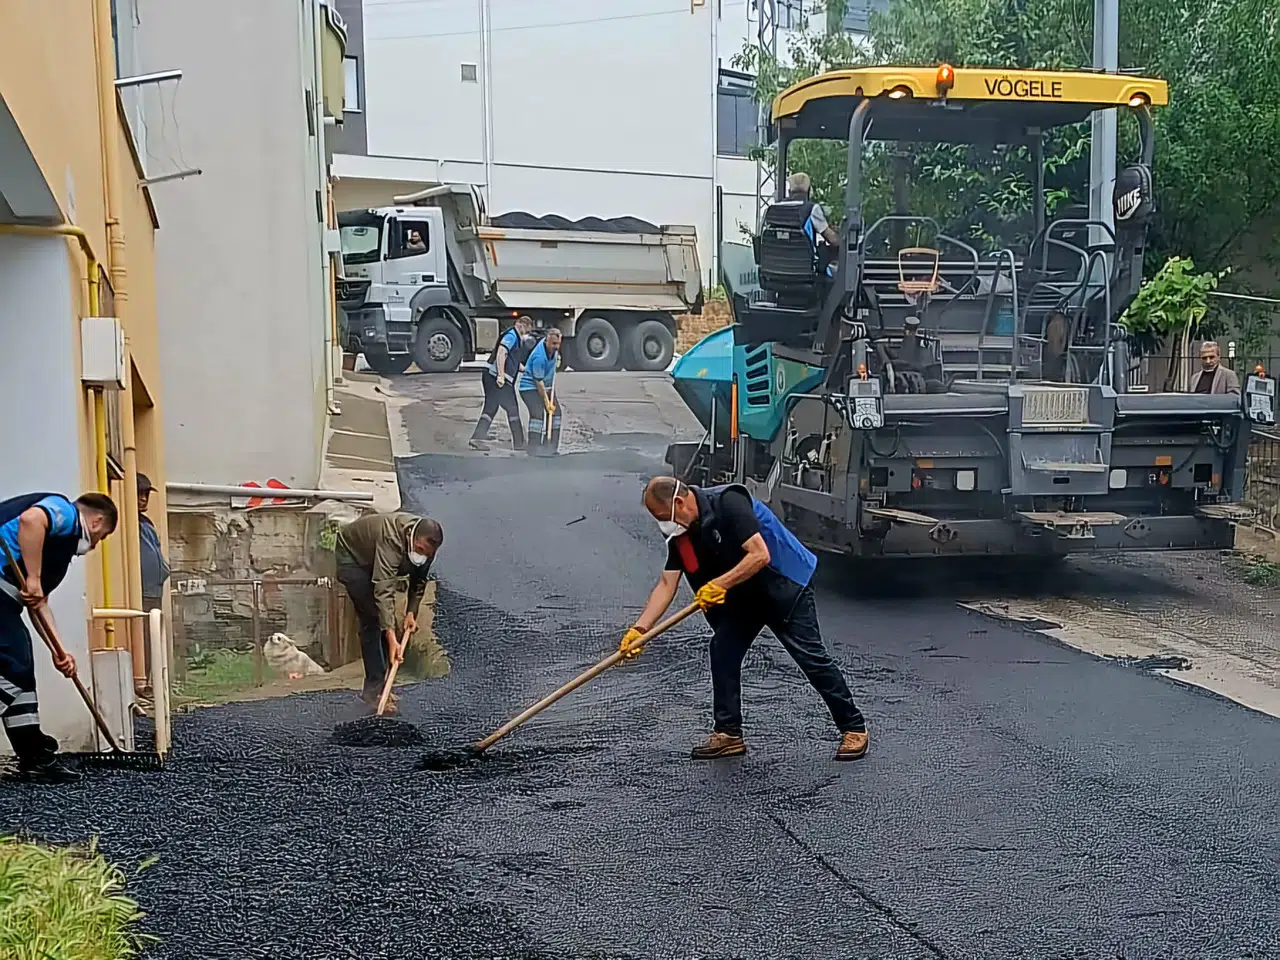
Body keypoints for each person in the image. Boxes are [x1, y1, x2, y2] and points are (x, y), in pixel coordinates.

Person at [621, 477, 868, 761]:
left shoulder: (729, 501)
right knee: (723, 651)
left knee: (810, 657)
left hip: (783, 584)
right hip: (743, 595)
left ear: (678, 502)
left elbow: (759, 555)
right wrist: (640, 629)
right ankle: (728, 734)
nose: (666, 524)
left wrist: (719, 584)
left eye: (665, 517)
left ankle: (853, 727)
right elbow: (667, 584)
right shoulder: (682, 534)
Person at [0, 491, 119, 783]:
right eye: (102, 537)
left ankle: (33, 754)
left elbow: (39, 604)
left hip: (7, 602)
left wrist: (60, 652)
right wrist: (33, 577)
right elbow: (31, 520)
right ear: (96, 521)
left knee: (20, 669)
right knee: (12, 666)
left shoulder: (57, 548)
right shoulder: (64, 512)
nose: (95, 545)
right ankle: (33, 755)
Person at [334, 512, 443, 714]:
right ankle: (373, 693)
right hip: (352, 557)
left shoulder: (427, 547)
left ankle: (384, 686)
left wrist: (411, 613)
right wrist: (392, 637)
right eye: (419, 550)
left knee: (383, 619)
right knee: (372, 619)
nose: (422, 556)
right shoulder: (391, 537)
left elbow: (419, 581)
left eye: (427, 554)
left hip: (374, 557)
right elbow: (383, 589)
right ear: (410, 536)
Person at [470, 315, 533, 450]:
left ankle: (477, 437)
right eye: (526, 330)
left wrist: (527, 370)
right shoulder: (512, 336)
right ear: (521, 324)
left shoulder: (515, 338)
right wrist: (501, 376)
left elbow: (513, 360)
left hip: (491, 376)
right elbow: (501, 353)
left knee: (491, 407)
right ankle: (519, 443)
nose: (526, 334)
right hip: (496, 378)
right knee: (512, 409)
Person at [518, 327, 564, 457]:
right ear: (546, 341)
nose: (556, 347)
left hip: (547, 386)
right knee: (537, 414)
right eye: (554, 344)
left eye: (558, 344)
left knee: (556, 414)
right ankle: (534, 447)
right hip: (529, 388)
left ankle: (551, 446)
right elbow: (538, 382)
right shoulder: (539, 357)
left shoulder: (554, 352)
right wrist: (547, 402)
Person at [136, 474, 170, 618]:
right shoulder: (131, 522)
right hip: (144, 591)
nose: (144, 498)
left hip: (153, 591)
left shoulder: (145, 522)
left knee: (154, 626)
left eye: (146, 494)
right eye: (139, 493)